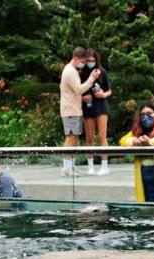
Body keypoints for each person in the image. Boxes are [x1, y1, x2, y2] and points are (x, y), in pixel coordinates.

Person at [60, 46, 101, 176]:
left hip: (74, 109)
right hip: (70, 110)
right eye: (83, 61)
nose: (84, 64)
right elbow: (79, 89)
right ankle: (66, 168)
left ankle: (71, 166)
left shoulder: (71, 70)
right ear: (76, 58)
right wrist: (92, 78)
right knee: (71, 137)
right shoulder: (70, 71)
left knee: (75, 137)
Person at [81, 49, 112, 176]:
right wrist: (83, 98)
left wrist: (103, 94)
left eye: (93, 61)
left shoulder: (102, 72)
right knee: (89, 137)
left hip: (101, 105)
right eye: (88, 61)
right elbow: (77, 92)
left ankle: (104, 166)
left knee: (102, 136)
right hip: (88, 106)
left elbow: (109, 90)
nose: (91, 63)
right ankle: (90, 166)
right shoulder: (81, 73)